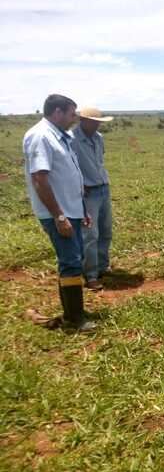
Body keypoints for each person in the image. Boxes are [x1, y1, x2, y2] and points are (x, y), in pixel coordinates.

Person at [22, 94, 96, 332]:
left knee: (73, 260)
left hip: (71, 210)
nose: (75, 119)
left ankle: (73, 311)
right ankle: (75, 318)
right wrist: (59, 216)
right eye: (72, 114)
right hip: (58, 214)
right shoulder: (41, 136)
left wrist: (81, 210)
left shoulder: (59, 136)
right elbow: (39, 179)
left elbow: (69, 176)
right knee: (71, 262)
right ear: (57, 112)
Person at [72, 106, 114, 290]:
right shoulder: (72, 139)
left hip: (103, 188)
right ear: (83, 121)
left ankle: (103, 266)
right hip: (88, 193)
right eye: (94, 122)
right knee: (90, 234)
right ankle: (91, 276)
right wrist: (79, 185)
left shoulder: (99, 138)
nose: (97, 125)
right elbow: (68, 166)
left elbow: (99, 161)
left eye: (99, 122)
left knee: (106, 231)